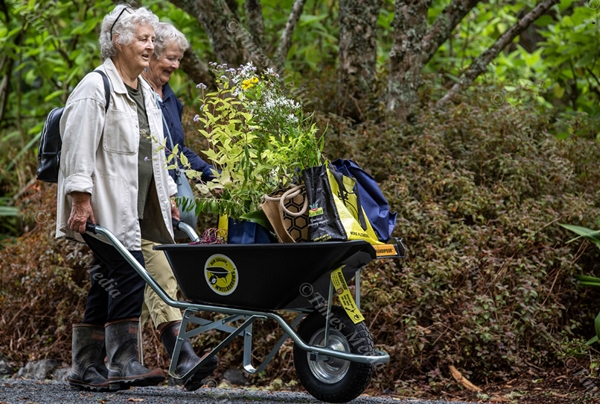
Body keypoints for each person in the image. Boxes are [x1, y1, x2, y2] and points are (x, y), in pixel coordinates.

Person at [57, 5, 179, 392]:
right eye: (143, 39)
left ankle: (86, 366)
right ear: (117, 41)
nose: (150, 46)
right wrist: (80, 198)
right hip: (102, 203)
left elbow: (156, 151)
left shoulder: (145, 91)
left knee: (107, 278)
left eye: (151, 39)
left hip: (137, 203)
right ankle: (124, 361)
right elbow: (77, 147)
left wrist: (171, 195)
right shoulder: (95, 87)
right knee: (129, 270)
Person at [139, 22, 217, 391]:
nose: (175, 66)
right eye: (170, 58)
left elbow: (178, 150)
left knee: (158, 270)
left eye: (179, 60)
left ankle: (128, 356)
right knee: (157, 263)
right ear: (152, 53)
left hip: (177, 191)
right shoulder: (135, 92)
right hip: (148, 193)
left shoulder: (170, 97)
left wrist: (211, 175)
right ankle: (180, 354)